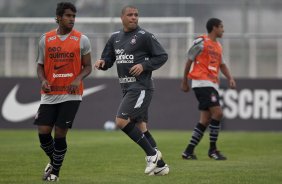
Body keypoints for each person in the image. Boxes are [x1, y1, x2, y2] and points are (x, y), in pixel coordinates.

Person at [95, 5, 169, 176]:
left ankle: (153, 155)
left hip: (141, 86)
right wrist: (102, 63)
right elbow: (109, 58)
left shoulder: (144, 36)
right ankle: (161, 166)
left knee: (121, 121)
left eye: (136, 15)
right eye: (130, 15)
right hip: (127, 88)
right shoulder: (115, 38)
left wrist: (144, 65)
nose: (134, 17)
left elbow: (162, 56)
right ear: (122, 18)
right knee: (141, 127)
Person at [34, 2, 92, 181]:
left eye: (74, 16)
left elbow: (88, 66)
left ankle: (55, 173)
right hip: (49, 94)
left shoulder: (82, 39)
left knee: (60, 132)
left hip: (71, 94)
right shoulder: (46, 39)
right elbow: (40, 66)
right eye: (68, 16)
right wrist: (43, 80)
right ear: (58, 17)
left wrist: (77, 79)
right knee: (43, 134)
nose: (72, 19)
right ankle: (54, 161)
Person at [181, 18, 236, 160]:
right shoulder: (201, 42)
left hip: (211, 83)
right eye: (221, 27)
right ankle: (213, 150)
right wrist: (185, 81)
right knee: (218, 113)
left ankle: (188, 151)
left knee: (205, 120)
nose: (223, 30)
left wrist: (230, 78)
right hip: (202, 83)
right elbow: (189, 60)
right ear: (214, 28)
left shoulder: (218, 46)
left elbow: (222, 65)